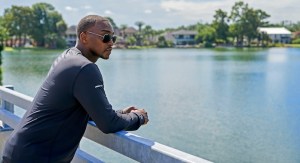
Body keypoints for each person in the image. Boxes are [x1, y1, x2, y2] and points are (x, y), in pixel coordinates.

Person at [2, 15, 149, 162]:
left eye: (113, 38)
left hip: (22, 152)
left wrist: (121, 113)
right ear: (84, 37)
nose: (111, 43)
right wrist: (138, 117)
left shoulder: (68, 57)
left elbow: (85, 107)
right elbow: (108, 124)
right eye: (105, 37)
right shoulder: (85, 68)